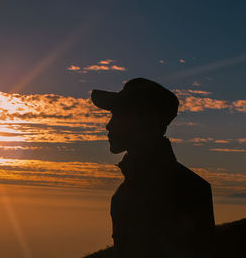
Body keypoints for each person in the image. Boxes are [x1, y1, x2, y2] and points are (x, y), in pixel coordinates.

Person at [91, 78, 215, 258]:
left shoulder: (189, 191)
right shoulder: (122, 195)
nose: (108, 125)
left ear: (143, 122)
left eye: (118, 115)